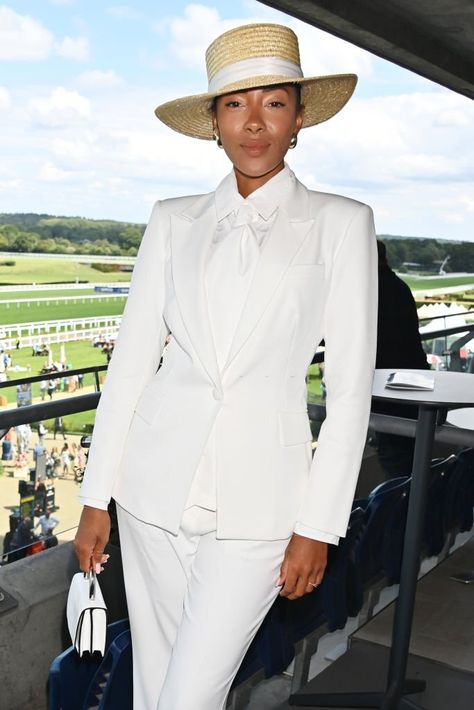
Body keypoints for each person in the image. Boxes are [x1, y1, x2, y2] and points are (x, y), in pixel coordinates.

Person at [75, 23, 377, 710]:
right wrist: (97, 496)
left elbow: (350, 388)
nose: (255, 122)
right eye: (236, 104)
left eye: (274, 103)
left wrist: (318, 525)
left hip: (263, 509)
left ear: (299, 120)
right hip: (151, 496)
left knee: (187, 698)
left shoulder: (342, 223)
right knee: (156, 690)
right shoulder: (171, 219)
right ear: (213, 122)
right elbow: (131, 368)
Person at [373, 240, 430, 478]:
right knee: (406, 459)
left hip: (390, 390)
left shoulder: (373, 291)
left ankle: (407, 512)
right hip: (408, 382)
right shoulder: (398, 286)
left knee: (397, 463)